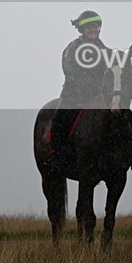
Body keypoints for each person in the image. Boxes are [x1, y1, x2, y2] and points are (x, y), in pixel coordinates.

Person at [44, 10, 111, 172]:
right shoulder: (73, 48)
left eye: (95, 26)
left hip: (98, 97)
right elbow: (71, 71)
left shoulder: (104, 50)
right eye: (89, 27)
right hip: (73, 95)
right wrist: (90, 87)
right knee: (60, 122)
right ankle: (57, 154)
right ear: (82, 29)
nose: (93, 30)